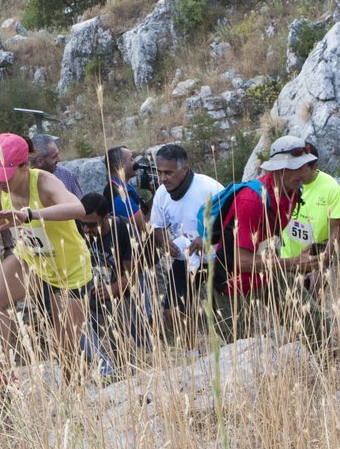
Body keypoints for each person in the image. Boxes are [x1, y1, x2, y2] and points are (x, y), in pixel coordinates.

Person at [0, 132, 91, 361]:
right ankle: (3, 376)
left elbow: (78, 208)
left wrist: (30, 214)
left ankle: (73, 392)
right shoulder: (0, 185)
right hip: (31, 258)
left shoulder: (45, 182)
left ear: (25, 165)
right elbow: (1, 212)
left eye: (5, 176)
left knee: (67, 350)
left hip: (68, 267)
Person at [205, 135, 321, 339]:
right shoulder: (251, 200)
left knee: (313, 320)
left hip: (266, 274)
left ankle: (325, 363)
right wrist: (293, 263)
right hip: (231, 285)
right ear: (276, 169)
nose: (303, 172)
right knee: (239, 351)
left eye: (305, 165)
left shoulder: (292, 192)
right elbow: (241, 261)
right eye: (296, 167)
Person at [76, 191, 151, 364]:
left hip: (128, 286)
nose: (86, 229)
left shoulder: (125, 230)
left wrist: (113, 289)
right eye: (83, 224)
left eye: (92, 225)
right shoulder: (81, 229)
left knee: (139, 334)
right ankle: (113, 366)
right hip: (99, 286)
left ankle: (142, 363)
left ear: (106, 217)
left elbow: (133, 274)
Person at [148, 143, 222, 313]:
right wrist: (165, 242)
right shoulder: (161, 193)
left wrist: (206, 238)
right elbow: (156, 226)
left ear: (184, 170)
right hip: (185, 258)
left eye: (168, 172)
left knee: (223, 312)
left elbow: (232, 221)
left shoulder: (210, 188)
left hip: (217, 259)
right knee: (171, 312)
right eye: (159, 172)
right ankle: (185, 338)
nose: (163, 178)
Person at [280, 141, 340, 269]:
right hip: (287, 261)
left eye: (302, 169)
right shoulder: (287, 183)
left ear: (315, 166)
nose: (296, 174)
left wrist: (324, 261)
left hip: (314, 261)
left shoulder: (331, 187)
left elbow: (335, 230)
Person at [104, 145, 148, 230]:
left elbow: (143, 209)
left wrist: (156, 193)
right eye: (131, 159)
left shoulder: (122, 186)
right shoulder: (120, 197)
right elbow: (145, 227)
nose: (135, 162)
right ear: (120, 166)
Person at [30, 133, 84, 198]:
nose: (59, 159)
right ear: (40, 161)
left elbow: (81, 205)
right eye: (54, 157)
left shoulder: (66, 176)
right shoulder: (23, 182)